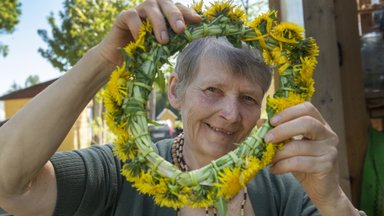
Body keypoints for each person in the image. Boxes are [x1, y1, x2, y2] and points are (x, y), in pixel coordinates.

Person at [0, 0, 364, 215]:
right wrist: (103, 59)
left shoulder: (286, 185)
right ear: (176, 91)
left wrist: (332, 200)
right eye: (212, 90)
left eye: (249, 99)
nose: (231, 114)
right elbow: (9, 183)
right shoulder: (118, 172)